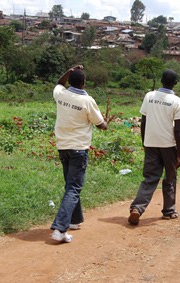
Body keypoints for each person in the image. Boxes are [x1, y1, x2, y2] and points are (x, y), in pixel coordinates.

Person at [50, 65, 108, 243]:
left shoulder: (61, 94)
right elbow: (100, 124)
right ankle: (60, 228)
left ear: (70, 80)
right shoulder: (87, 101)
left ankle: (74, 220)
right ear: (84, 83)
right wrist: (105, 123)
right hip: (78, 149)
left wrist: (69, 70)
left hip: (62, 146)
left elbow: (59, 83)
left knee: (70, 184)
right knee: (73, 188)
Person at [128, 69, 180, 225]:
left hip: (151, 143)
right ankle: (168, 211)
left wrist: (144, 142)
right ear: (175, 83)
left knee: (150, 178)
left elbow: (143, 122)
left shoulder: (149, 96)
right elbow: (177, 130)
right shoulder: (177, 101)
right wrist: (179, 154)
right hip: (168, 145)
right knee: (170, 178)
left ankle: (137, 208)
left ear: (160, 80)